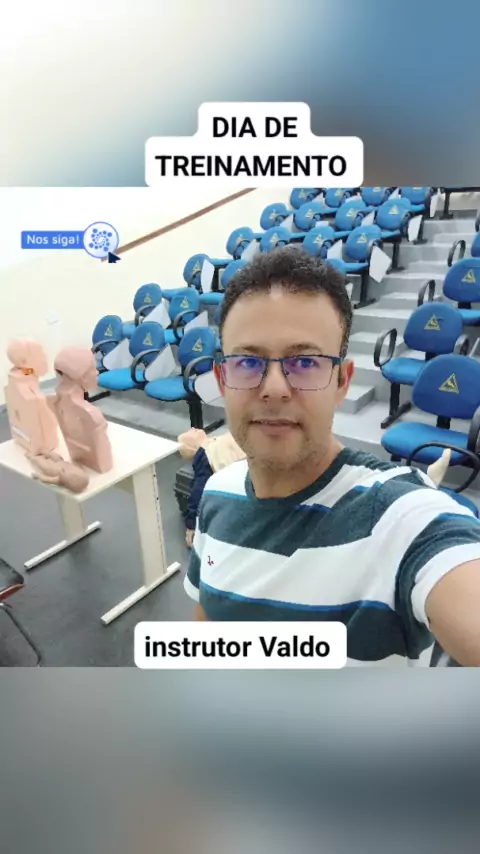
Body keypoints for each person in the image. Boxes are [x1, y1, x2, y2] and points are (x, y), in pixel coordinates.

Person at [183, 246, 480, 667]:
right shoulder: (216, 493)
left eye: (305, 362)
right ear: (221, 379)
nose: (274, 389)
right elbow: (206, 623)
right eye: (247, 361)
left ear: (341, 382)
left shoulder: (402, 517)